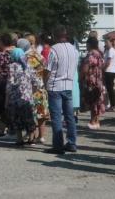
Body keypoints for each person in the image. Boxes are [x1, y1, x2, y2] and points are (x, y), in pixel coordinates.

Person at [43, 25, 78, 154]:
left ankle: (57, 146)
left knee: (56, 117)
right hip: (68, 84)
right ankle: (72, 143)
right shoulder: (73, 48)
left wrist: (44, 81)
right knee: (69, 116)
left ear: (54, 35)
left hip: (55, 85)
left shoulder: (54, 49)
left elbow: (47, 69)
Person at [17, 38, 49, 144]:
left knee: (32, 113)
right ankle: (41, 136)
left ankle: (31, 136)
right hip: (41, 85)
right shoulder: (38, 54)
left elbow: (26, 73)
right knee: (42, 112)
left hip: (31, 87)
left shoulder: (25, 57)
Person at [5, 48, 38, 145]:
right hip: (28, 97)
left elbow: (9, 84)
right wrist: (32, 91)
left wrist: (6, 99)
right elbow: (36, 82)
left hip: (16, 97)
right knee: (30, 117)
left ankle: (19, 139)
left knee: (17, 118)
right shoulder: (29, 65)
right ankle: (31, 139)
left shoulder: (12, 66)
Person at [80, 37, 105, 129]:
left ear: (89, 45)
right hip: (98, 79)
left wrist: (80, 77)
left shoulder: (90, 55)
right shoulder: (99, 54)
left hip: (91, 80)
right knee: (97, 100)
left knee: (92, 100)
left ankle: (92, 121)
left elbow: (85, 69)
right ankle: (96, 121)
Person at [103, 37, 115, 112]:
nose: (105, 44)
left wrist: (103, 69)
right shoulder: (107, 50)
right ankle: (108, 104)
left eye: (107, 42)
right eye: (105, 42)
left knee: (110, 89)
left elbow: (108, 62)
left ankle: (113, 105)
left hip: (110, 71)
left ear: (111, 42)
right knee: (108, 89)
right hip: (107, 71)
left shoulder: (111, 51)